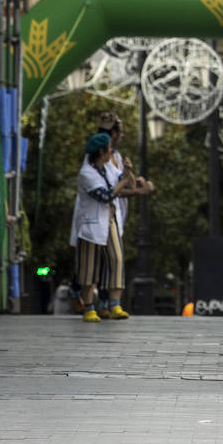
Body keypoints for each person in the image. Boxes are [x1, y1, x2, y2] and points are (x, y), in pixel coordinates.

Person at [69, 132, 138, 323]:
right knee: (88, 266)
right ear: (101, 151)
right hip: (91, 224)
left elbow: (127, 185)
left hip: (110, 220)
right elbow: (105, 196)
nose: (111, 152)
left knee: (117, 259)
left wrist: (128, 172)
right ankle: (89, 307)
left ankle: (115, 304)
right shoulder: (86, 173)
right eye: (108, 149)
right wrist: (123, 181)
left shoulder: (108, 167)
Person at [95, 112, 153, 318]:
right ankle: (104, 302)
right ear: (112, 133)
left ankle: (108, 303)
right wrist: (138, 190)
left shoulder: (117, 157)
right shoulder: (97, 157)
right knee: (107, 259)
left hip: (116, 214)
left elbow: (125, 182)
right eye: (120, 132)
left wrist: (134, 178)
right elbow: (112, 189)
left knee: (110, 259)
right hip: (102, 214)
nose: (123, 136)